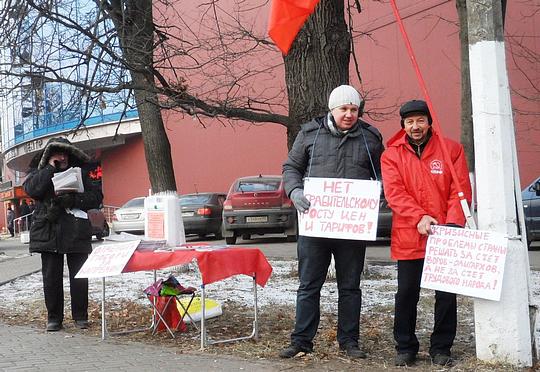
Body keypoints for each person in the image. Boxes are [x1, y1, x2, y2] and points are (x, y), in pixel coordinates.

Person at [280, 85, 384, 359]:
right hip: (316, 225)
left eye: (354, 109)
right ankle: (301, 340)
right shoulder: (309, 134)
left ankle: (349, 341)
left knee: (349, 287)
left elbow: (384, 172)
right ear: (332, 109)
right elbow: (291, 167)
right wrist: (295, 191)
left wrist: (380, 192)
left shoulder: (370, 138)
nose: (349, 114)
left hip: (351, 228)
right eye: (344, 109)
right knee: (308, 284)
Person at [380, 100, 472, 366]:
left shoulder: (451, 149)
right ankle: (405, 346)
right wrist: (418, 217)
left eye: (420, 120)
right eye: (409, 122)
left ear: (429, 122)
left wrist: (453, 224)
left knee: (445, 294)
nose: (415, 126)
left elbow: (460, 189)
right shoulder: (391, 154)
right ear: (403, 125)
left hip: (444, 235)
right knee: (407, 292)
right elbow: (394, 193)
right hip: (410, 234)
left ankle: (441, 347)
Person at [23, 137, 103, 332]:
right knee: (51, 277)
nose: (62, 157)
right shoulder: (39, 172)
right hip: (48, 231)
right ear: (50, 155)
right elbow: (32, 190)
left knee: (79, 276)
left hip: (75, 229)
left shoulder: (81, 173)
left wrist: (73, 200)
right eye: (58, 153)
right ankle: (54, 318)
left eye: (65, 152)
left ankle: (80, 316)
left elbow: (96, 197)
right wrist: (49, 169)